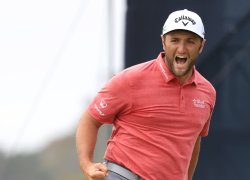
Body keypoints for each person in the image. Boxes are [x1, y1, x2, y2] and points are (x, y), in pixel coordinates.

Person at [76, 9, 216, 180]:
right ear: (163, 41)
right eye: (175, 40)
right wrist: (87, 165)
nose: (181, 48)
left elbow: (193, 140)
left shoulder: (207, 92)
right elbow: (90, 119)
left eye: (190, 41)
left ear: (201, 46)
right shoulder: (130, 79)